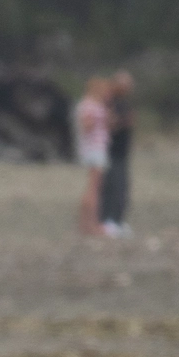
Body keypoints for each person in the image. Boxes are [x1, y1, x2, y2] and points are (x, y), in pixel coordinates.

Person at [98, 71, 136, 235]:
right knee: (111, 187)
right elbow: (107, 124)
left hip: (122, 153)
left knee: (122, 188)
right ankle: (107, 220)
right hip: (111, 152)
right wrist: (124, 122)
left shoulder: (124, 103)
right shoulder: (109, 102)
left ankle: (118, 220)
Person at [73, 76, 111, 237]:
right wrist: (100, 119)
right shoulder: (89, 105)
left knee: (94, 187)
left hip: (95, 148)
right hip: (93, 149)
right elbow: (86, 126)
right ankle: (91, 224)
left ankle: (86, 224)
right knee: (94, 189)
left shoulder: (90, 104)